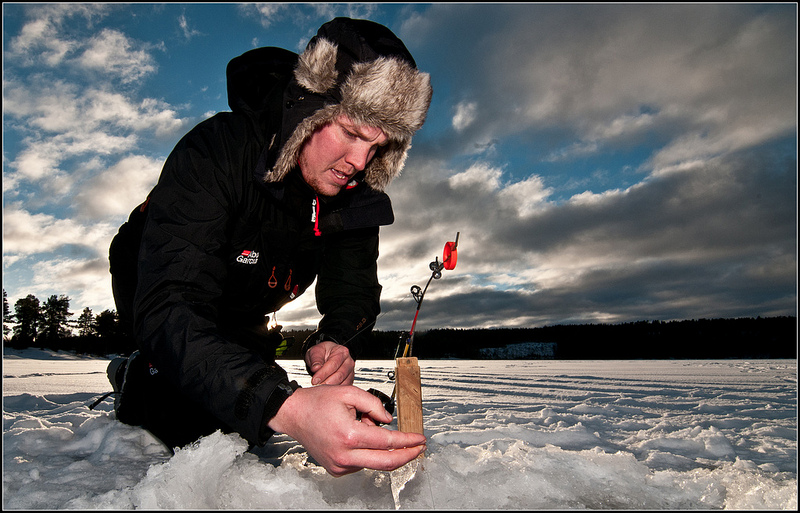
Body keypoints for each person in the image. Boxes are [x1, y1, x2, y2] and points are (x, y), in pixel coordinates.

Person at [106, 17, 433, 477]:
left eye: (378, 147)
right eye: (353, 133)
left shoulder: (355, 198)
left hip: (245, 303)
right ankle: (134, 374)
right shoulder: (219, 149)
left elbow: (353, 290)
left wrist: (334, 340)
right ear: (312, 108)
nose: (359, 162)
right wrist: (291, 408)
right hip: (156, 279)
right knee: (195, 421)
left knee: (248, 420)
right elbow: (170, 302)